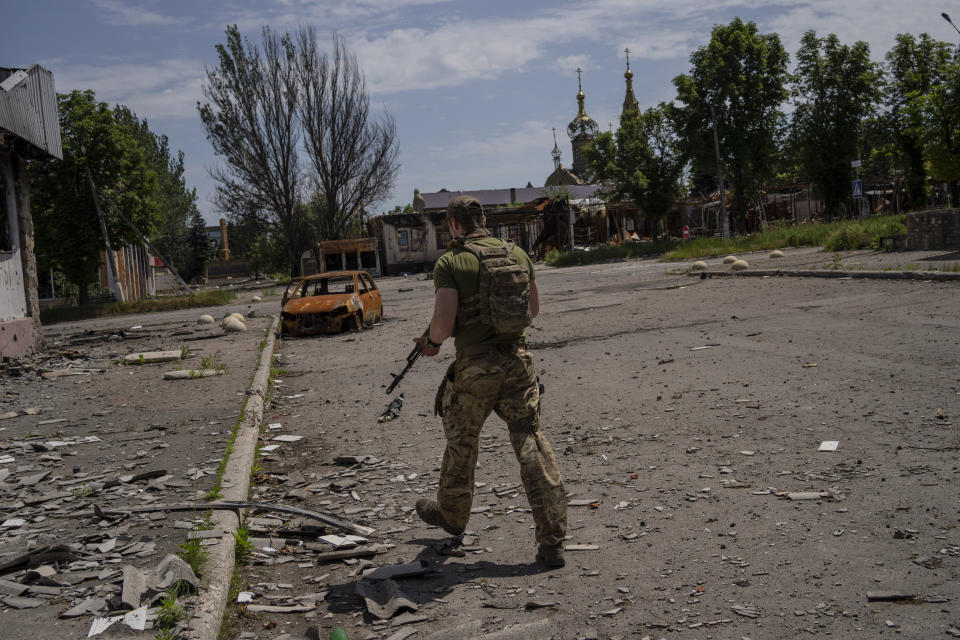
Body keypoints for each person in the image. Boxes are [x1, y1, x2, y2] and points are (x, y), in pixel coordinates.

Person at [413, 195, 568, 568]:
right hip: (518, 363)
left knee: (462, 442)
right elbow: (532, 309)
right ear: (482, 220)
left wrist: (431, 343)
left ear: (453, 224)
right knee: (530, 440)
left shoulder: (451, 262)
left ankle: (452, 516)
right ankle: (552, 541)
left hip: (476, 369)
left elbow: (444, 324)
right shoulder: (517, 254)